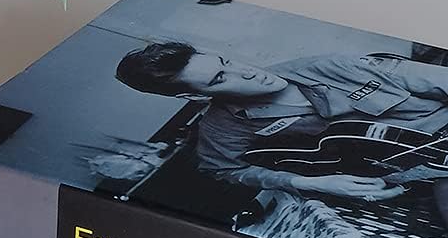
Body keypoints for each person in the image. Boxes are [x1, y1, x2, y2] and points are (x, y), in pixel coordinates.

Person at [114, 41, 448, 222]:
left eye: (225, 63)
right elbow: (224, 169)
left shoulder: (331, 65)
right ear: (196, 97)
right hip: (426, 170)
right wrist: (310, 183)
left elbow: (439, 82)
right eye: (220, 79)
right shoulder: (222, 125)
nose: (247, 72)